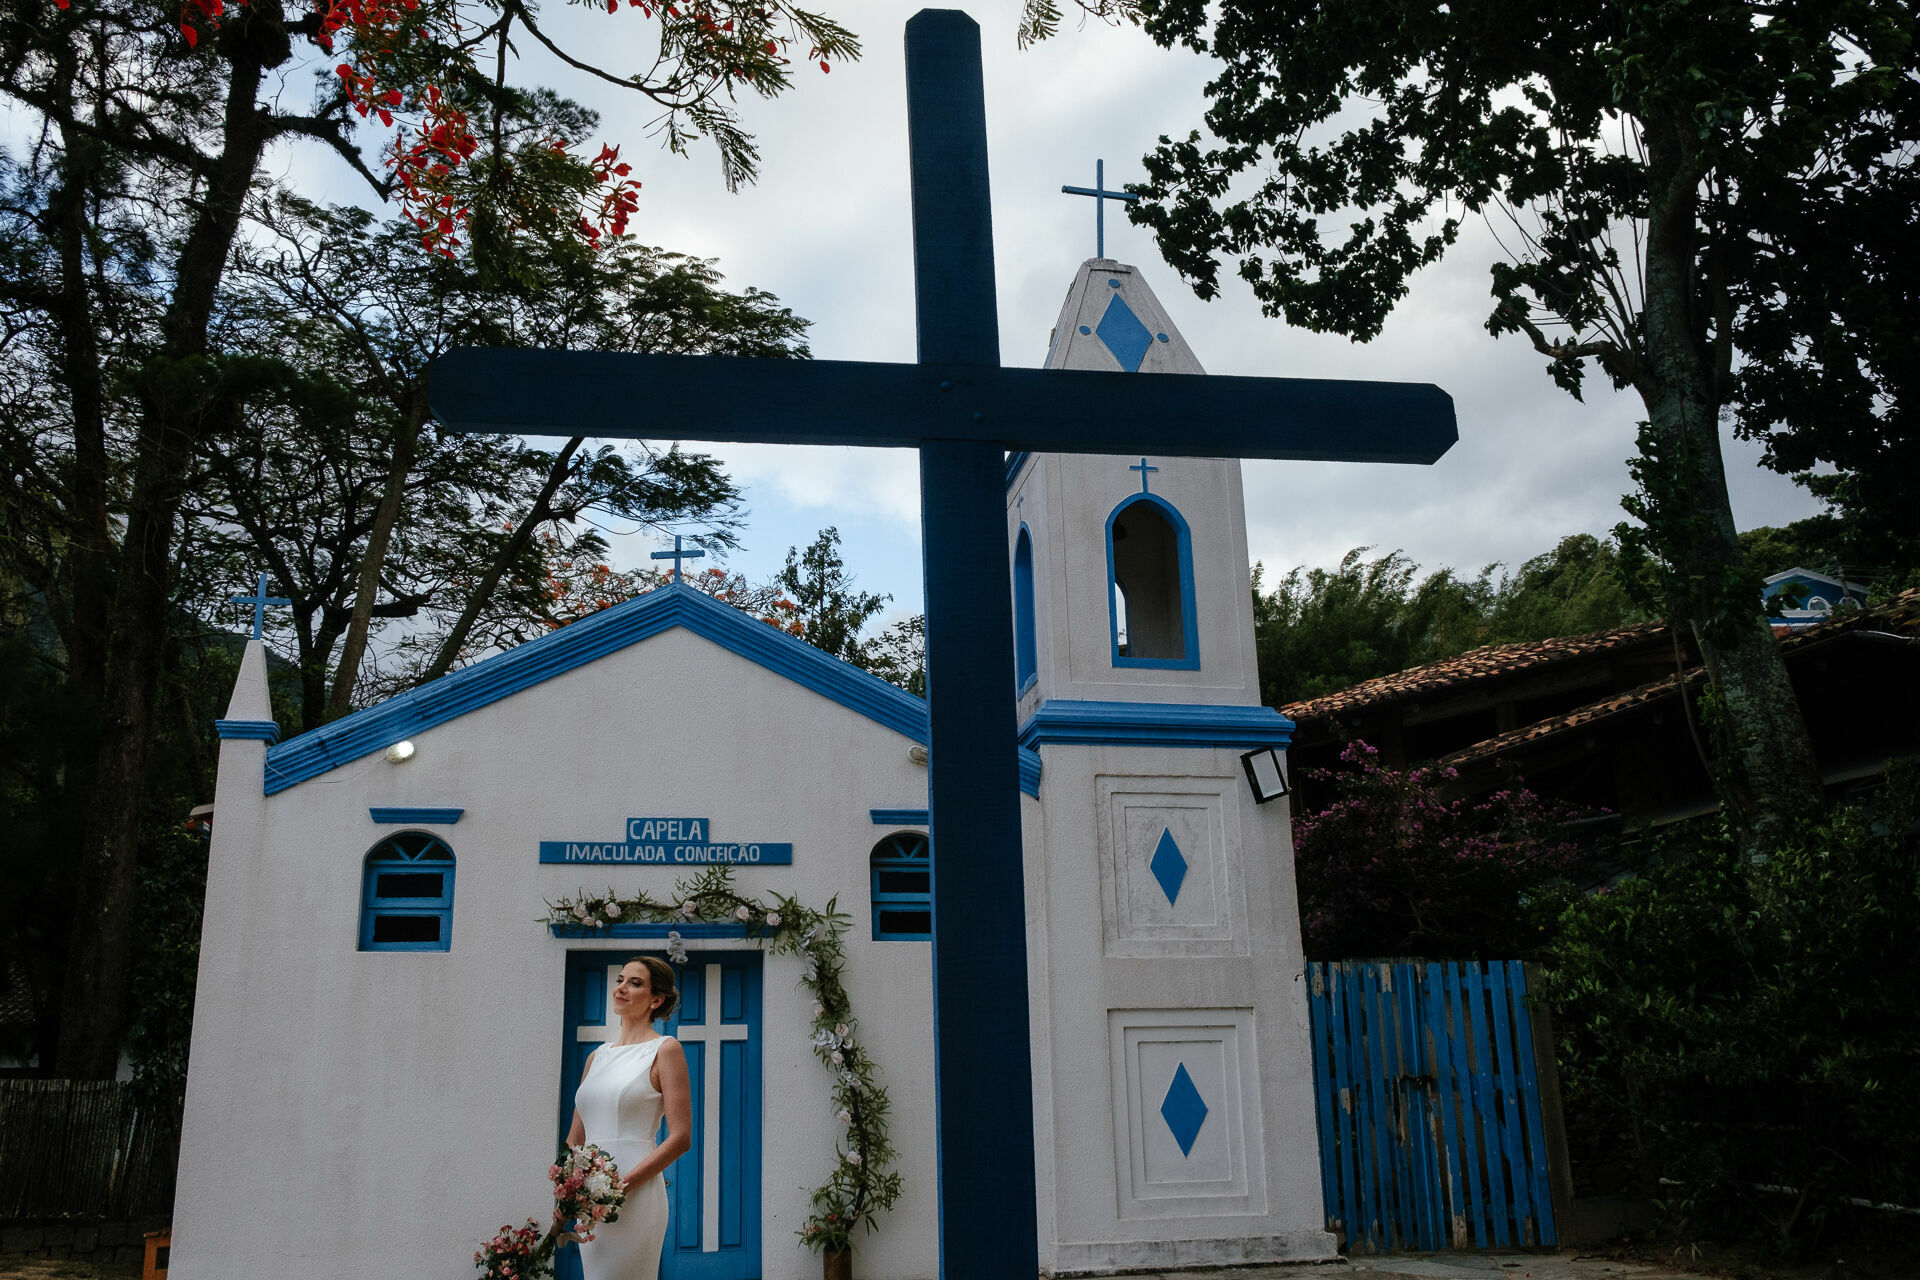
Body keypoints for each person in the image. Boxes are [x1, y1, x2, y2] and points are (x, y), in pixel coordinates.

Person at [566, 956, 693, 1280]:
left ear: (656, 999)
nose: (621, 988)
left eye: (635, 983)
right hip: (588, 1199)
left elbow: (681, 1137)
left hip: (634, 1193)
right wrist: (568, 1193)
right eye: (621, 979)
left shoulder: (665, 1049)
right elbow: (574, 1139)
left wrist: (618, 1189)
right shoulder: (596, 1057)